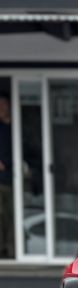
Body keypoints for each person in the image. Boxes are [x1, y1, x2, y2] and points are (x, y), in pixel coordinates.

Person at [0, 94, 13, 258]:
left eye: (3, 104)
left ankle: (13, 249)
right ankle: (3, 250)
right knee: (1, 215)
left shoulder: (18, 128)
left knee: (14, 216)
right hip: (2, 182)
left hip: (15, 180)